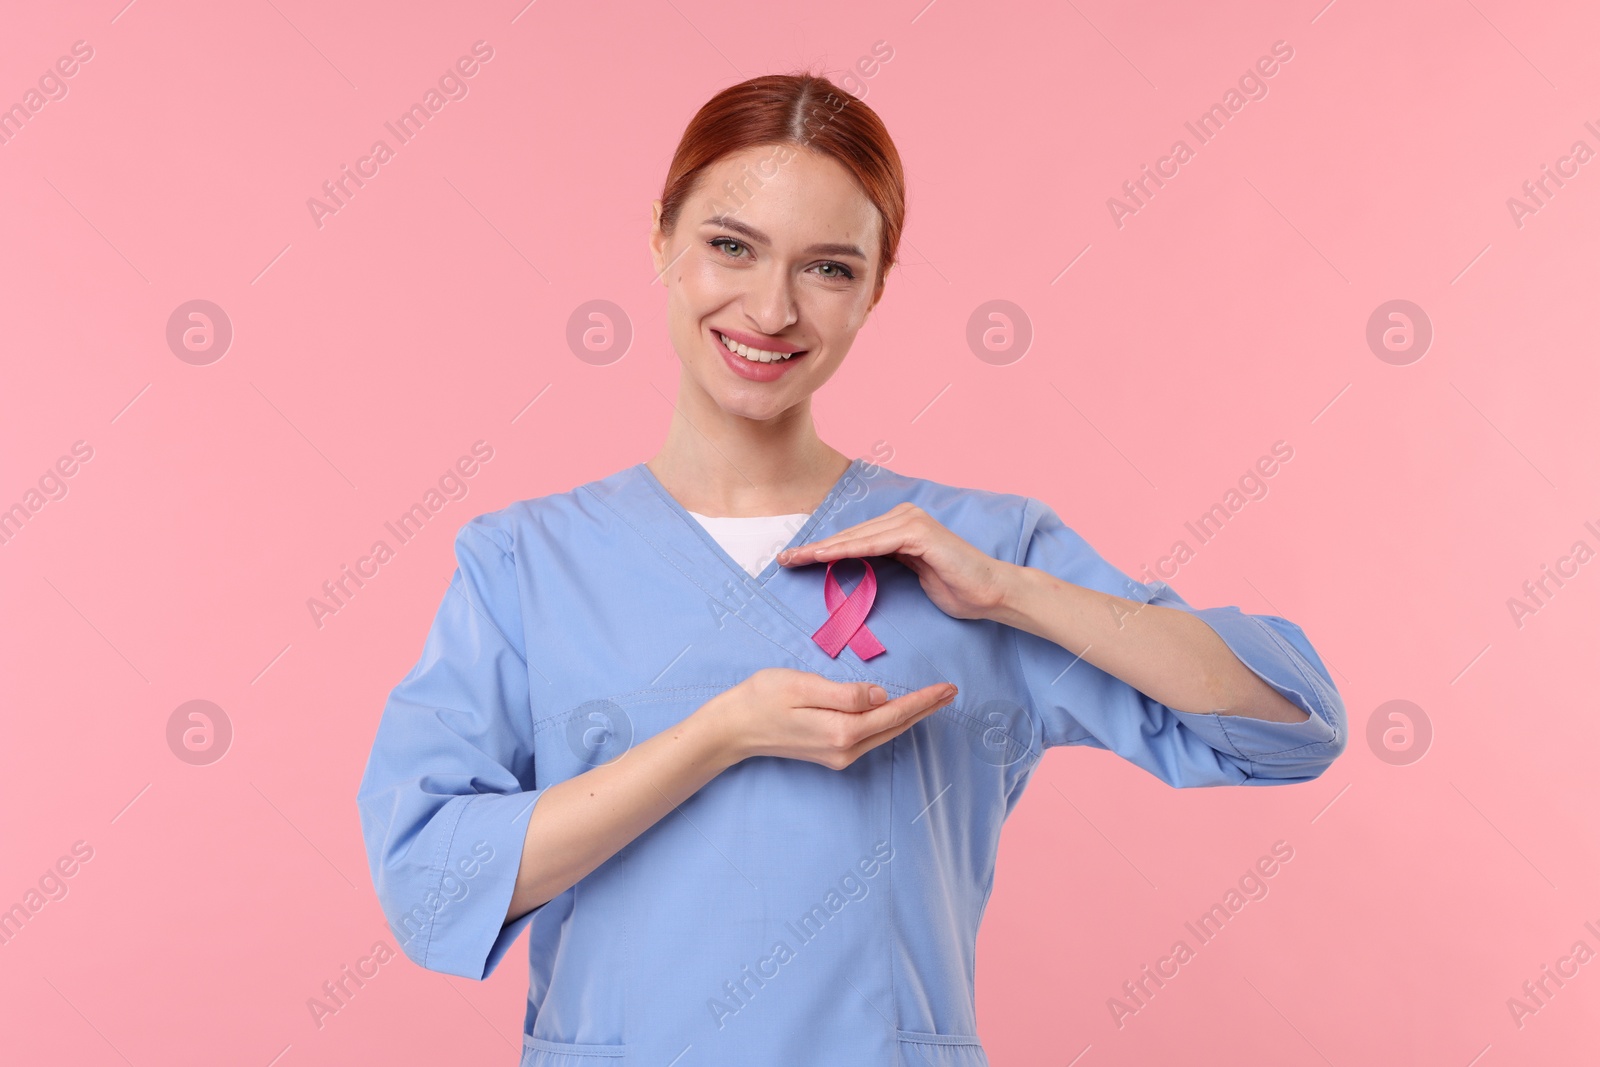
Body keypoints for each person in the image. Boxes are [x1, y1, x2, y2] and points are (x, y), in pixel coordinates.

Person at [356, 72, 1347, 1066]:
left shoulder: (972, 548)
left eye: (827, 268)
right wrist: (719, 735)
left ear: (875, 286)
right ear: (660, 237)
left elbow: (1287, 726)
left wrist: (1012, 590)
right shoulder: (526, 562)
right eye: (730, 246)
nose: (771, 308)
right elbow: (432, 885)